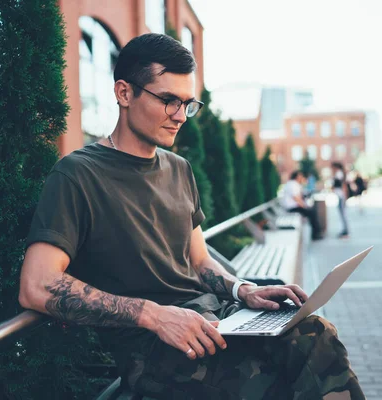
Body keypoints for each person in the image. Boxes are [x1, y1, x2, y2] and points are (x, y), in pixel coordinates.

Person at [18, 33, 364, 399]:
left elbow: (199, 260)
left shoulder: (179, 168)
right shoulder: (76, 174)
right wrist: (153, 315)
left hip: (216, 320)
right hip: (156, 349)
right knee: (280, 383)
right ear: (124, 93)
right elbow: (37, 284)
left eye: (187, 104)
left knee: (316, 332)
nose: (181, 117)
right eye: (168, 101)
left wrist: (242, 289)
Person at [281, 170, 321, 240]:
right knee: (312, 212)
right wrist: (305, 206)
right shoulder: (293, 184)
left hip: (293, 207)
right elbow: (296, 198)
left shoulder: (292, 184)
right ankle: (315, 235)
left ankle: (316, 233)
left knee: (312, 212)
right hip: (292, 208)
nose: (301, 178)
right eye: (300, 176)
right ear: (297, 177)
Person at [331, 162, 350, 238]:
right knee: (342, 214)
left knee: (343, 214)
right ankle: (345, 230)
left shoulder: (339, 174)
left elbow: (343, 185)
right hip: (341, 196)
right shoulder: (340, 173)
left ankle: (345, 231)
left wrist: (345, 197)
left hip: (341, 196)